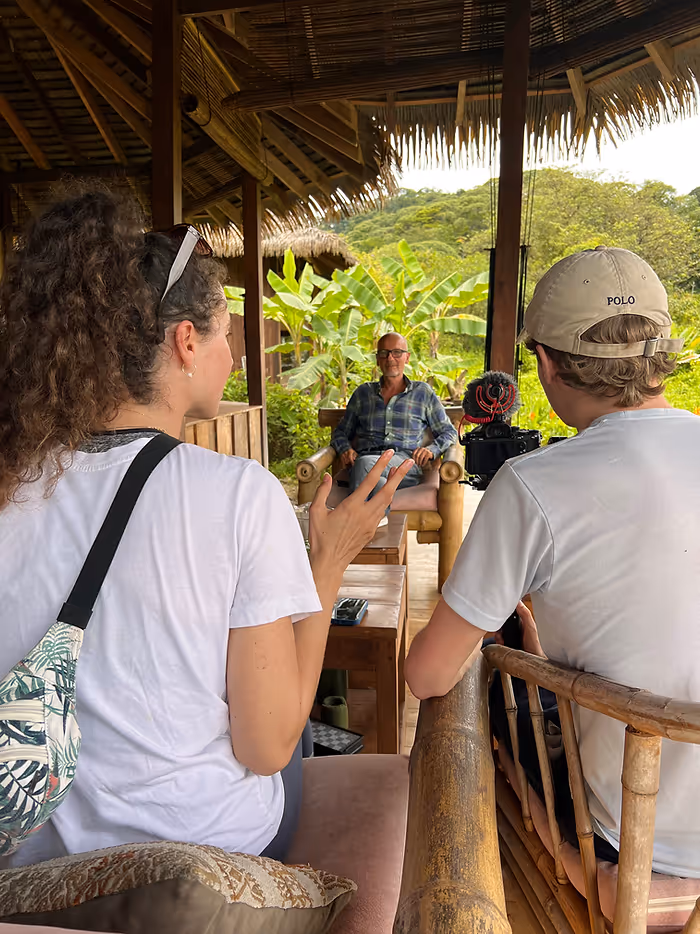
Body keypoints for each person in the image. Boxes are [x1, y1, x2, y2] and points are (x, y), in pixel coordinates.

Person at [0, 188, 414, 867]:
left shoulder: (13, 483)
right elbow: (266, 744)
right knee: (297, 742)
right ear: (185, 342)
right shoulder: (236, 493)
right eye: (227, 333)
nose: (235, 355)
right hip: (198, 857)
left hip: (34, 862)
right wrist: (330, 558)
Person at [404, 245, 700, 877]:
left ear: (544, 362)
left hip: (634, 838)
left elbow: (428, 676)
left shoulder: (533, 484)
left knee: (489, 671)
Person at [331, 332, 458, 506]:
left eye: (397, 352)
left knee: (364, 465)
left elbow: (449, 432)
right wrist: (345, 448)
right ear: (377, 359)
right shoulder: (363, 393)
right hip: (365, 461)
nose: (390, 358)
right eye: (384, 353)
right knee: (378, 484)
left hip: (404, 465)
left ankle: (351, 524)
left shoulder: (422, 393)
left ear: (407, 357)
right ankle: (377, 528)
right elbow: (340, 432)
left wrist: (432, 450)